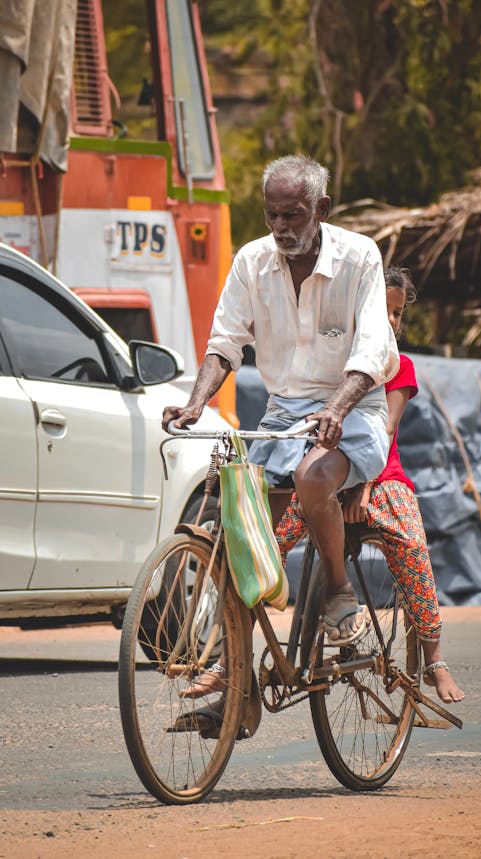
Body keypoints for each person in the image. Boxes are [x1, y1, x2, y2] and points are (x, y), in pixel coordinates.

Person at [162, 154, 399, 651]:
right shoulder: (252, 261)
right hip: (283, 414)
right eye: (272, 214)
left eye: (293, 214)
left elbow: (374, 348)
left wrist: (335, 409)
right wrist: (195, 403)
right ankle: (230, 675)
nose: (280, 226)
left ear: (322, 209)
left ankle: (338, 588)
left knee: (313, 478)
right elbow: (225, 343)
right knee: (246, 537)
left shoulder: (359, 257)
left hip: (353, 409)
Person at [275, 266, 464, 704]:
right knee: (269, 547)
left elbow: (386, 430)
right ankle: (229, 663)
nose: (393, 322)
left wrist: (363, 488)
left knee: (411, 544)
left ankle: (435, 660)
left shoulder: (399, 366)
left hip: (380, 479)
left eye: (398, 314)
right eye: (384, 311)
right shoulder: (330, 363)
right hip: (324, 476)